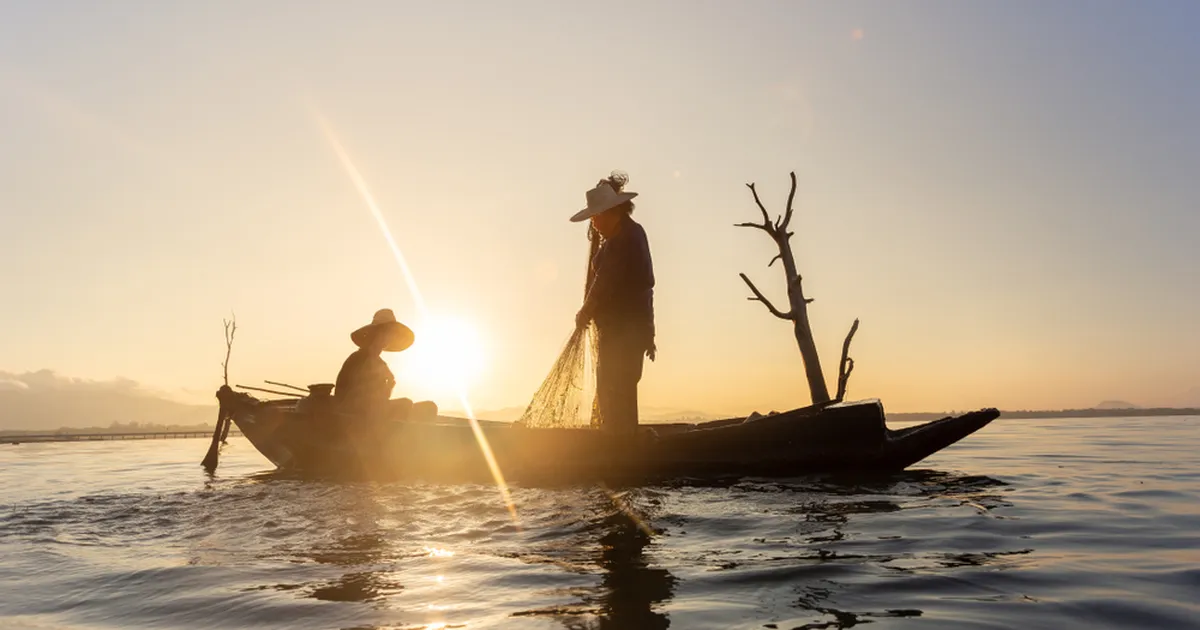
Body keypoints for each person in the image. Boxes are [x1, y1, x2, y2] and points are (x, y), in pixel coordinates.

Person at [571, 172, 656, 434]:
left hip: (624, 332)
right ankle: (620, 439)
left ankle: (620, 445)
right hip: (620, 331)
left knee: (616, 386)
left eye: (596, 216)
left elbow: (609, 280)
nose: (594, 222)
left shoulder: (626, 238)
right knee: (615, 388)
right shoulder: (619, 237)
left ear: (613, 213)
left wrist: (586, 309)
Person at [335, 308, 437, 421]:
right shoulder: (359, 358)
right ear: (376, 334)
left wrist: (389, 386)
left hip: (370, 412)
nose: (389, 337)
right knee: (405, 404)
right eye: (386, 333)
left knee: (429, 407)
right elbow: (362, 399)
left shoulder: (378, 362)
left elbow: (381, 399)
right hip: (354, 414)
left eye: (391, 334)